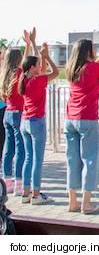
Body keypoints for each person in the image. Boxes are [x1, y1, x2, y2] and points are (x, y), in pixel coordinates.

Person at [64, 39, 99, 214]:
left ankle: (72, 201)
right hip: (87, 118)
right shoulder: (93, 68)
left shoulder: (72, 68)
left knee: (72, 161)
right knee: (91, 160)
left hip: (70, 118)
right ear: (88, 51)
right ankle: (87, 203)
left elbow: (90, 69)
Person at [19, 37, 59, 205]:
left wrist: (38, 52)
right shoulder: (38, 81)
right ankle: (36, 195)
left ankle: (25, 193)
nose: (39, 67)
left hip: (25, 122)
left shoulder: (24, 80)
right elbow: (56, 73)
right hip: (36, 122)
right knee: (37, 160)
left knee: (28, 158)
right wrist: (47, 57)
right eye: (37, 65)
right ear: (33, 67)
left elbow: (37, 66)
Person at [0, 30, 33, 196]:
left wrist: (27, 45)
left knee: (8, 148)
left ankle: (7, 181)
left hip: (7, 113)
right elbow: (27, 66)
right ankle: (19, 182)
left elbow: (23, 64)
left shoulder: (4, 74)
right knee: (21, 149)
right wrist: (29, 44)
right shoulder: (19, 74)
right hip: (18, 113)